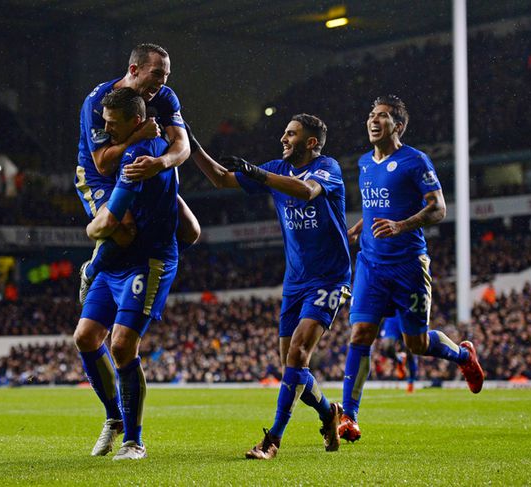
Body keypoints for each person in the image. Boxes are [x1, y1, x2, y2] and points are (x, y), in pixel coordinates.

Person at [188, 114, 351, 458]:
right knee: (292, 368)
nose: (283, 138)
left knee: (297, 355)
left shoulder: (328, 168)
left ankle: (272, 440)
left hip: (328, 277)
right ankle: (328, 414)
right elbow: (220, 178)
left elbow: (307, 192)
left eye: (291, 134)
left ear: (311, 142)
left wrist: (258, 173)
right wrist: (189, 143)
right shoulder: (278, 167)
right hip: (295, 281)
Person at [339, 95, 485, 443]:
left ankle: (463, 355)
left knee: (415, 344)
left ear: (398, 126)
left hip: (408, 266)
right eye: (372, 115)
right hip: (371, 265)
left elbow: (438, 209)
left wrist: (401, 226)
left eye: (384, 116)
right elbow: (382, 206)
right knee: (360, 334)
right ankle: (349, 416)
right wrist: (363, 225)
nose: (374, 121)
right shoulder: (363, 163)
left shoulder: (415, 160)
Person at [73, 88, 180, 460]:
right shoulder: (144, 148)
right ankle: (114, 418)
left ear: (136, 122)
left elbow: (110, 222)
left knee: (120, 345)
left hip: (146, 261)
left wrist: (89, 233)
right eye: (102, 122)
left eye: (112, 124)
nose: (105, 130)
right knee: (86, 337)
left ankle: (134, 441)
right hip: (119, 260)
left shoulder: (137, 154)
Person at [75, 43, 200, 304]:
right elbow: (102, 164)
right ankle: (92, 270)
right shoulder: (98, 103)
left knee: (190, 231)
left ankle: (134, 261)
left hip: (144, 170)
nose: (162, 82)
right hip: (99, 177)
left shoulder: (165, 97)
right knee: (125, 229)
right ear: (134, 69)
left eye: (166, 75)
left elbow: (183, 146)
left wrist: (161, 163)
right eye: (156, 73)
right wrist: (137, 137)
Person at [379, 315, 418, 393]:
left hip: (407, 316)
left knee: (410, 350)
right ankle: (400, 360)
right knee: (387, 347)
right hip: (393, 317)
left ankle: (411, 382)